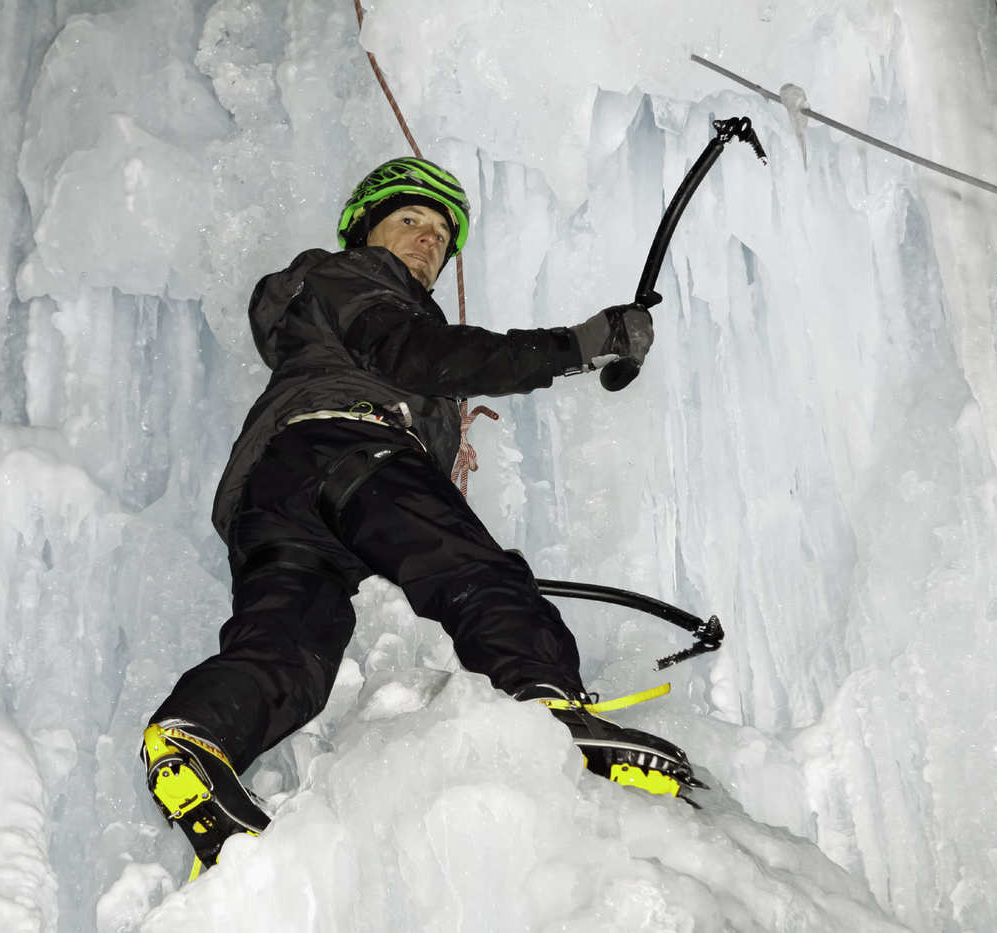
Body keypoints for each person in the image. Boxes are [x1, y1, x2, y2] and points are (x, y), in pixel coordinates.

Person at [141, 156, 681, 877]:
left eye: (440, 232)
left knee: (293, 654)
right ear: (364, 230)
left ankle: (194, 739)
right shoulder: (351, 282)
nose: (428, 240)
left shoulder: (324, 312)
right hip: (349, 446)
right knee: (471, 569)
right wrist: (581, 345)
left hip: (274, 494)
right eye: (409, 220)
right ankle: (549, 709)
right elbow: (422, 353)